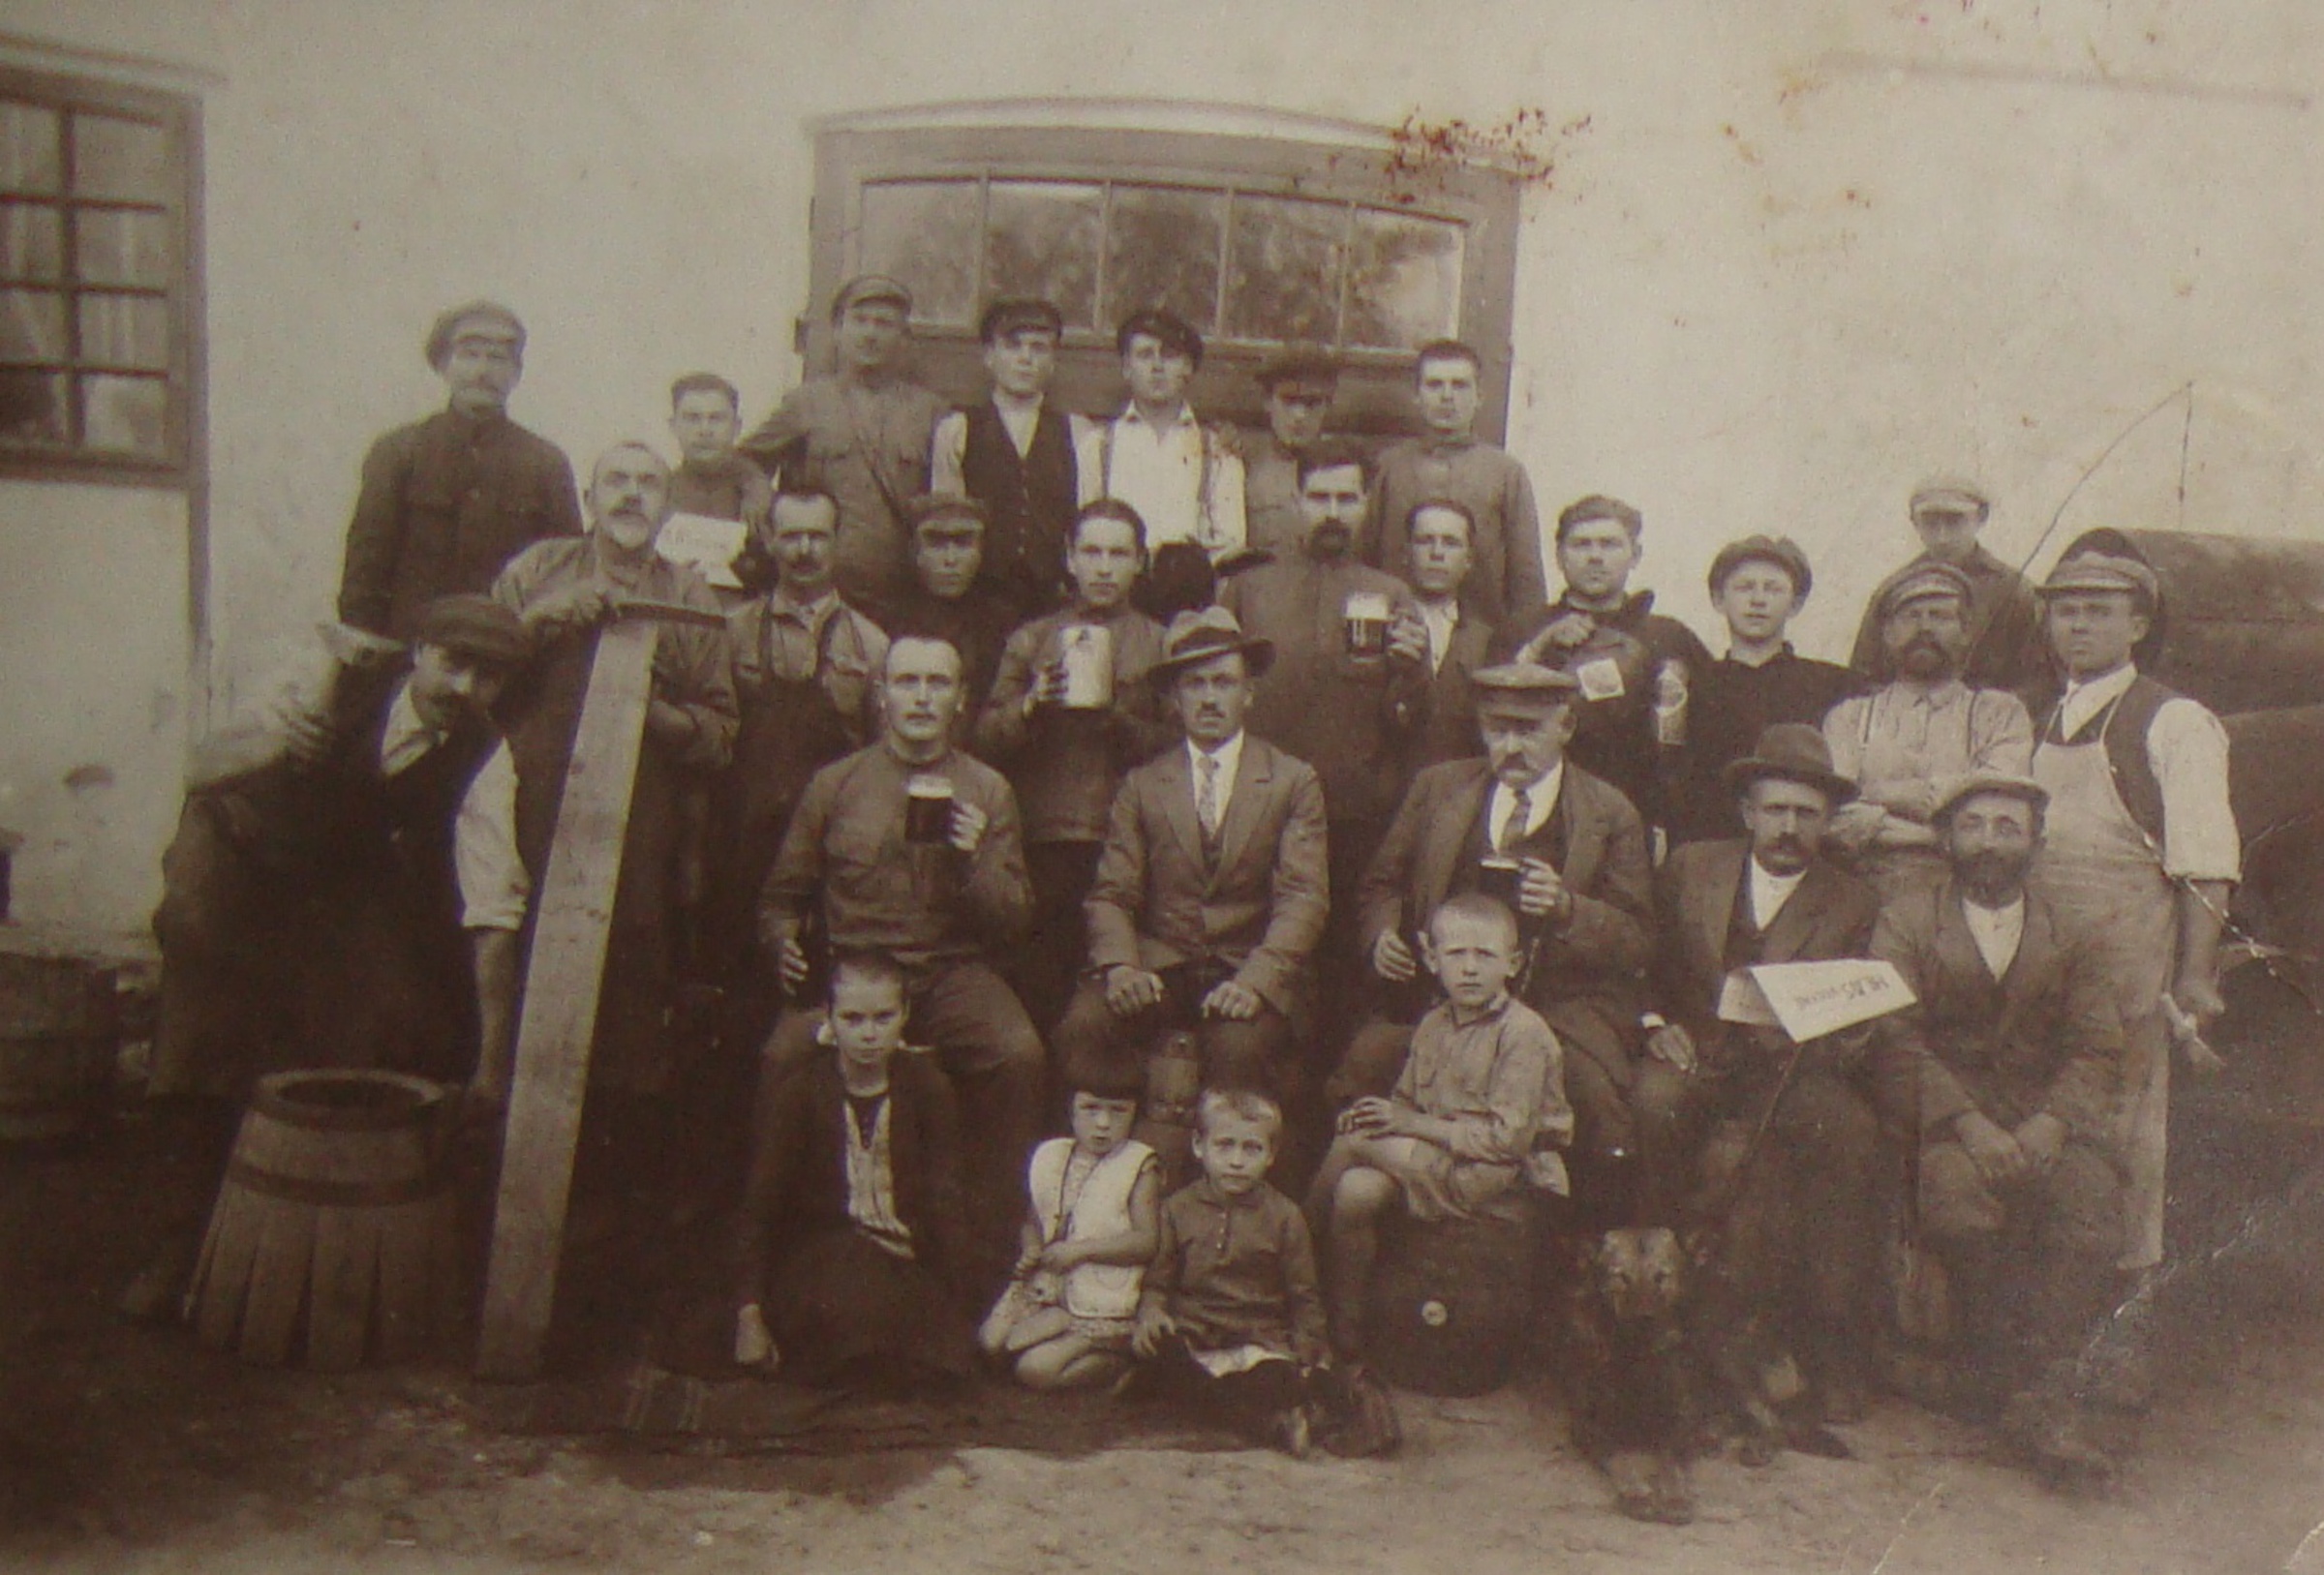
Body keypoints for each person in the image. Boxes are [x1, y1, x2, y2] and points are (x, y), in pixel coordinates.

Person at [131, 594, 535, 1319]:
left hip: (328, 879)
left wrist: (493, 1061)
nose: (465, 689)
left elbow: (493, 912)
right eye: (453, 663)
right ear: (420, 651)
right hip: (234, 847)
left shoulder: (485, 754)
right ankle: (176, 1247)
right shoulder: (322, 675)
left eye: (489, 676)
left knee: (373, 1026)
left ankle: (301, 1256)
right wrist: (277, 740)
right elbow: (198, 766)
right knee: (201, 1007)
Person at [755, 634, 1040, 1284]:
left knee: (1017, 1055)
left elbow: (1014, 921)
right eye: (907, 681)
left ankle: (991, 1256)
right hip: (858, 976)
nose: (921, 697)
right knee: (783, 1056)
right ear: (881, 695)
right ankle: (784, 1258)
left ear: (961, 700)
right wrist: (782, 944)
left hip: (948, 972)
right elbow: (781, 897)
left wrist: (973, 862)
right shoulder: (836, 784)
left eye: (938, 683)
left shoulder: (988, 789)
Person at [1869, 773, 2126, 1484]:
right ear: (1947, 840)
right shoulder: (1907, 920)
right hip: (1949, 1121)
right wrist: (1967, 1123)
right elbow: (1894, 1036)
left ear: (2036, 844)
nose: (1989, 841)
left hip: (2047, 1120)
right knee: (1957, 1201)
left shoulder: (2073, 929)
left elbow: (2097, 1045)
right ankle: (2018, 1388)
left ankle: (2037, 1386)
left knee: (2092, 1209)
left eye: (2008, 827)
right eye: (1973, 825)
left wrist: (2052, 1123)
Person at [1629, 724, 1882, 1418]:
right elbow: (1643, 958)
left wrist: (1830, 1031)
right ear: (1747, 811)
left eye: (1807, 813)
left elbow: (1861, 1007)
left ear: (1828, 822)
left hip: (1791, 1067)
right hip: (1695, 1050)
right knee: (1653, 1104)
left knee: (1850, 1133)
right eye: (1775, 810)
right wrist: (1654, 1024)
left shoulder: (1853, 900)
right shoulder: (1691, 867)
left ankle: (1827, 1339)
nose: (1789, 828)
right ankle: (1655, 1303)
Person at [1336, 663, 1650, 1216]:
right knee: (1367, 1058)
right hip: (1441, 1000)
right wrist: (1381, 933)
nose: (1510, 747)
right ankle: (1367, 1215)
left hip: (1559, 1006)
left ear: (1566, 726)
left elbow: (1638, 939)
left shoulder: (1608, 811)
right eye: (1497, 729)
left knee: (1593, 1098)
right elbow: (1382, 882)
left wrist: (1568, 908)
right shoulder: (1439, 788)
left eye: (1528, 730)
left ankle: (1571, 1239)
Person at [484, 441, 738, 1110]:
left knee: (629, 986)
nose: (631, 495)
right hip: (528, 802)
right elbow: (472, 682)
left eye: (648, 484)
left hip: (637, 823)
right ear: (589, 499)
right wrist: (537, 624)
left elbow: (720, 733)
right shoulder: (536, 571)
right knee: (514, 963)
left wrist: (648, 710)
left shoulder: (688, 593)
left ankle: (612, 1143)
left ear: (667, 506)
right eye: (615, 481)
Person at [2030, 547, 2236, 1276]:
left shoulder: (2174, 720)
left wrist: (2196, 975)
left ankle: (2123, 1310)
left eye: (2099, 611)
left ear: (2139, 625)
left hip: (2130, 959)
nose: (2078, 625)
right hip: (2046, 954)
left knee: (2129, 1130)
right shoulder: (2044, 718)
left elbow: (2207, 864)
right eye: (2065, 610)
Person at [1054, 607, 1330, 1115]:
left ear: (1249, 694)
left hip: (1246, 962)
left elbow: (1303, 900)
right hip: (1163, 963)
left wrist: (1255, 981)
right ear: (1175, 699)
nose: (1208, 698)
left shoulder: (1292, 781)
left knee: (1239, 1051)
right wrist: (1121, 967)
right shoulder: (1143, 784)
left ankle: (1226, 1166)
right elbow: (1112, 893)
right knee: (1087, 1024)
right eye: (1194, 684)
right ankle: (1108, 1159)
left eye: (1223, 683)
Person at [1307, 894, 1570, 1365]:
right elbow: (1407, 1103)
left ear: (1512, 964)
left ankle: (1292, 1260)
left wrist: (1403, 1125)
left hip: (1500, 1176)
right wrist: (1380, 1115)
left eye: (1484, 955)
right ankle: (1345, 1327)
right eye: (1456, 954)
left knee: (1354, 1144)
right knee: (1355, 1190)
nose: (1469, 969)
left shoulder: (1523, 1034)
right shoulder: (1433, 1025)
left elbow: (1507, 1142)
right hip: (1442, 1160)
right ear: (1432, 959)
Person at [1221, 440, 1429, 972]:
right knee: (1253, 947)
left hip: (1352, 810)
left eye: (1346, 498)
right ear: (1297, 501)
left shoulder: (1391, 594)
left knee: (1339, 955)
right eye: (1319, 497)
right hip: (1261, 806)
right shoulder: (1248, 589)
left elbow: (1407, 720)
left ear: (1366, 505)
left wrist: (1410, 671)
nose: (1332, 512)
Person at [732, 952, 976, 1390]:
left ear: (905, 1015)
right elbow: (760, 1208)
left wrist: (957, 1302)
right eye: (853, 1019)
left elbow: (946, 1199)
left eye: (883, 1017)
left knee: (937, 1354)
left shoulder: (927, 1088)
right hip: (824, 1260)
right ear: (830, 1018)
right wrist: (750, 1313)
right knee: (852, 1313)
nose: (868, 1034)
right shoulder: (801, 1092)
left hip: (902, 1259)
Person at [974, 500, 1173, 1030]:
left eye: (1118, 554)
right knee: (1044, 978)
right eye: (1091, 552)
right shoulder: (1031, 639)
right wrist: (1031, 705)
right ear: (1069, 558)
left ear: (1139, 562)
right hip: (1045, 836)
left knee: (1115, 979)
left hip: (1128, 837)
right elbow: (985, 739)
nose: (1103, 568)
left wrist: (1117, 719)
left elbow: (1178, 748)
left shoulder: (1159, 642)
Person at [703, 485, 888, 1052]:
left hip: (826, 852)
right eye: (791, 536)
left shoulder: (870, 644)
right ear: (769, 540)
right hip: (739, 846)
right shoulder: (732, 631)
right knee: (735, 1006)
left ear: (837, 541)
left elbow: (881, 761)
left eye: (817, 536)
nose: (804, 550)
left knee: (812, 1003)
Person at [336, 300, 582, 641]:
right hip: (410, 651)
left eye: (497, 358)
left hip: (508, 653)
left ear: (516, 373)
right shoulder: (398, 452)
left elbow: (564, 578)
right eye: (469, 355)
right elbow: (364, 577)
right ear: (443, 365)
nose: (482, 371)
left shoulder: (546, 465)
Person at [1131, 1089, 1329, 1456]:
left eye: (1252, 1149)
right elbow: (1158, 1282)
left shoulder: (1285, 1216)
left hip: (1256, 1339)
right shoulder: (1176, 1209)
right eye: (1224, 1146)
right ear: (1199, 1146)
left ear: (1271, 1155)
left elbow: (1304, 1294)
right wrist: (1151, 1311)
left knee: (1276, 1378)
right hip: (1195, 1334)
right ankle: (1265, 1423)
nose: (1236, 1161)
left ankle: (1253, 1410)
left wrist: (1309, 1349)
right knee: (1162, 1356)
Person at [1501, 495, 1713, 835]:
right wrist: (1540, 649)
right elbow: (1490, 722)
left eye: (1609, 544)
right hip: (1547, 816)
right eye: (1581, 544)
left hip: (1642, 816)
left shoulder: (1669, 637)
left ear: (1635, 555)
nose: (1595, 557)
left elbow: (1706, 738)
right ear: (1559, 556)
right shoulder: (1524, 630)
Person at [1822, 561, 2034, 901]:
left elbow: (1993, 811)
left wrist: (1874, 796)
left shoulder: (1999, 713)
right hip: (1865, 897)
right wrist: (1945, 831)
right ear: (1887, 633)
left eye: (1939, 616)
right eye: (1911, 616)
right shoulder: (1849, 718)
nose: (1924, 628)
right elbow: (1836, 817)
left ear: (1966, 632)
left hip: (1969, 900)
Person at [739, 274, 946, 613]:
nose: (870, 334)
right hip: (820, 582)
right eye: (859, 321)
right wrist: (757, 491)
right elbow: (746, 460)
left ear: (904, 338)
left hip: (902, 589)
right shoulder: (806, 402)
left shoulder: (930, 411)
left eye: (884, 324)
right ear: (837, 331)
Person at [980, 1048, 1162, 1391]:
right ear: (1071, 1109)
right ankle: (1052, 1332)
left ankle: (1115, 1362)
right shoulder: (1053, 1156)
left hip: (1100, 1295)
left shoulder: (1137, 1166)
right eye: (1091, 1109)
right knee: (990, 1344)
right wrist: (1032, 1248)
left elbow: (1146, 1242)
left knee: (1035, 1371)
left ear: (1135, 1114)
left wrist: (1081, 1251)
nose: (1103, 1123)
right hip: (1048, 1286)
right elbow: (1034, 1218)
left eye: (1118, 1111)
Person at [1667, 535, 1859, 845]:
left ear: (1795, 603)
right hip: (1709, 846)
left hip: (1799, 847)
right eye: (1744, 587)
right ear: (1718, 599)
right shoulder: (1693, 685)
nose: (1758, 600)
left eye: (1773, 589)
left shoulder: (1833, 685)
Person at [1363, 340, 1546, 627]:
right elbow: (1365, 557)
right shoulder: (1388, 467)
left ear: (1480, 396)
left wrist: (1523, 637)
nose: (1447, 397)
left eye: (1459, 385)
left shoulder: (1506, 473)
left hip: (1482, 632)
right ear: (1416, 395)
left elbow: (1526, 575)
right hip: (1398, 627)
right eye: (1434, 385)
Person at [930, 297, 1091, 617]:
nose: (1025, 358)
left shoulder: (1077, 431)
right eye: (1013, 346)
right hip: (980, 598)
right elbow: (947, 523)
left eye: (1038, 348)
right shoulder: (958, 430)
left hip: (1054, 599)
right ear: (989, 356)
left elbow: (1087, 522)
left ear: (1053, 362)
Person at [1077, 308, 1246, 578]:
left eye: (1169, 355)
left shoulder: (1217, 450)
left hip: (1190, 589)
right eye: (1145, 355)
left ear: (1187, 368)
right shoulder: (1098, 446)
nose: (1157, 367)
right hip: (1120, 587)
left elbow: (1231, 543)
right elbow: (1086, 533)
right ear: (1126, 367)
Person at [1848, 477, 2042, 694]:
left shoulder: (2015, 591)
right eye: (1930, 522)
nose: (1942, 537)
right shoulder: (1893, 591)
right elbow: (1864, 677)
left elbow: (2040, 681)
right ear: (1914, 522)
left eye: (1954, 521)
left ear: (1981, 517)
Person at [881, 493, 1019, 735]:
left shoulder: (1005, 626)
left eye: (964, 543)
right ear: (914, 551)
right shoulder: (886, 623)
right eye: (936, 544)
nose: (950, 560)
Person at [1403, 499, 1499, 775]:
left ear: (1469, 559)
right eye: (1425, 541)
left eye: (1450, 543)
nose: (1436, 553)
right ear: (1406, 553)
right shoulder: (1381, 625)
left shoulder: (1487, 639)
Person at [1240, 346, 1341, 560]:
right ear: (1267, 402)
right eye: (1288, 401)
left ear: (1329, 405)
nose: (1299, 415)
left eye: (1312, 403)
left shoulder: (1344, 471)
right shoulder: (1244, 465)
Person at [667, 371, 774, 535]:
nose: (704, 430)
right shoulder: (662, 494)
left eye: (716, 418)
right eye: (692, 418)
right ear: (673, 426)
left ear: (736, 427)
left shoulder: (763, 499)